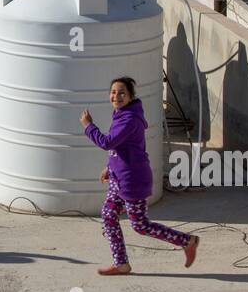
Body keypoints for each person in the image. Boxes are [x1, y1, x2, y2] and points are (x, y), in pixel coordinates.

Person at [81, 76, 199, 276]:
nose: (116, 96)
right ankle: (121, 264)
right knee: (109, 216)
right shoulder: (121, 114)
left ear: (130, 96)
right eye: (113, 92)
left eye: (121, 93)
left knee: (140, 226)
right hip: (118, 179)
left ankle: (187, 241)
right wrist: (110, 167)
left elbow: (107, 142)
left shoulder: (129, 120)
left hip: (132, 180)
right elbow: (122, 147)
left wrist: (88, 126)